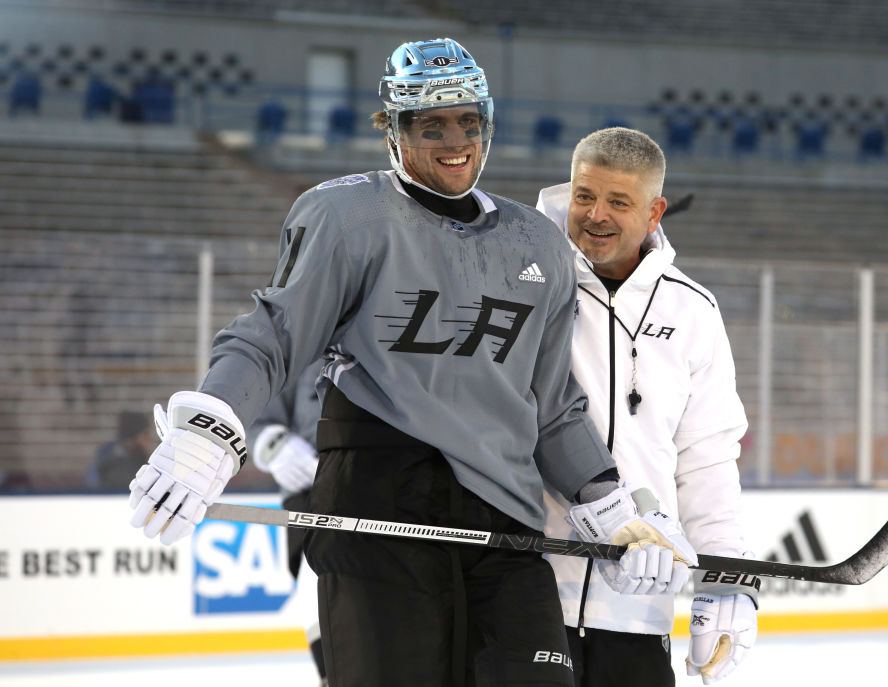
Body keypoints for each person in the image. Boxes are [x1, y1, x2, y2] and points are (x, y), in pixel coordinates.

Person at [128, 38, 698, 687]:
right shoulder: (347, 217)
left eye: (469, 122)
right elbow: (272, 335)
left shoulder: (536, 241)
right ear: (394, 131)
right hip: (379, 521)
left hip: (506, 538)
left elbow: (553, 407)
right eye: (432, 125)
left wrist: (612, 507)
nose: (456, 140)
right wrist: (211, 429)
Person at [536, 127, 758, 686]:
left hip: (639, 601)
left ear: (655, 211)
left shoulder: (694, 311)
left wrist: (725, 582)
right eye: (585, 196)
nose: (596, 215)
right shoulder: (529, 281)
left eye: (619, 201)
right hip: (528, 594)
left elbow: (707, 458)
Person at [247, 362, 326, 686]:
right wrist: (274, 446)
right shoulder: (303, 338)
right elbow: (256, 418)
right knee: (316, 587)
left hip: (392, 491)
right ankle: (332, 674)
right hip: (312, 496)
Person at [86, 411, 157, 490]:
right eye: (145, 434)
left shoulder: (142, 459)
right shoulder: (111, 460)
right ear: (132, 437)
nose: (149, 440)